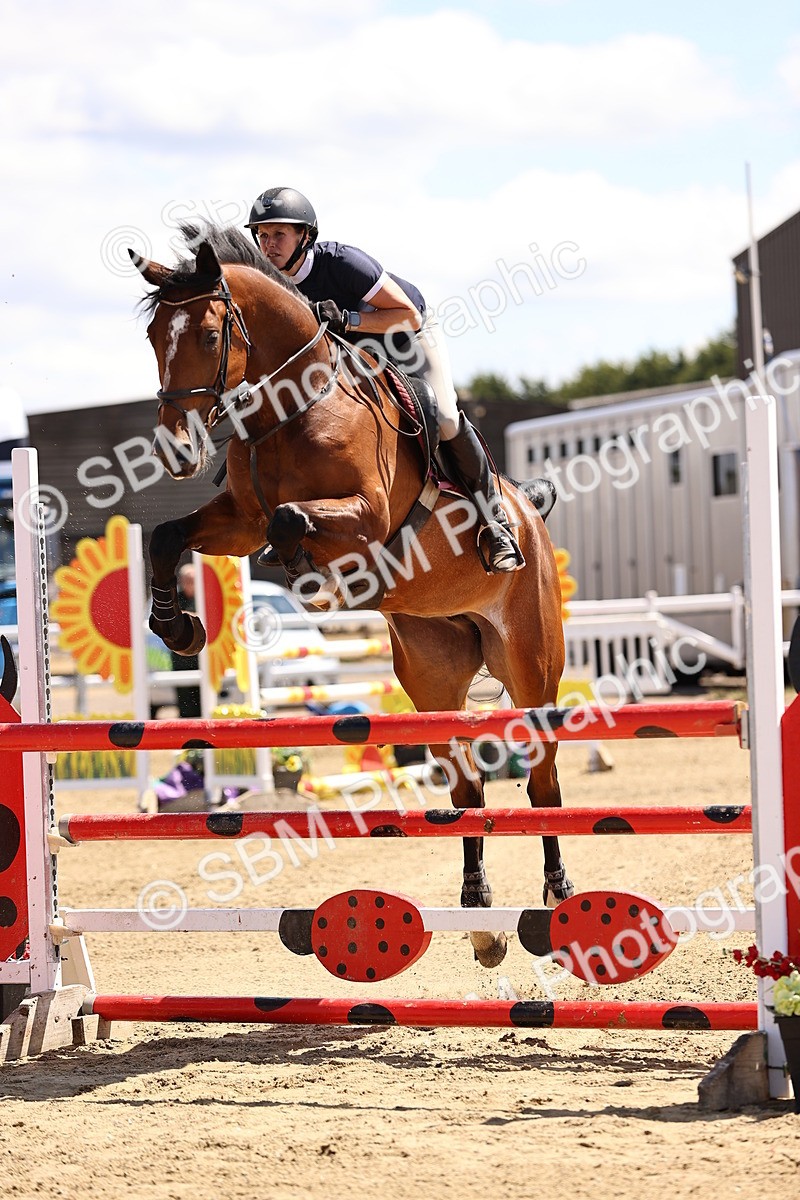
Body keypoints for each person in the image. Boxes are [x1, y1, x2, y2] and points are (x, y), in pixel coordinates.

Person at [245, 186, 524, 573]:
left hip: (408, 334)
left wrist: (347, 319)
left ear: (304, 236)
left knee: (444, 417)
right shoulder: (272, 285)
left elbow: (407, 315)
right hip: (355, 354)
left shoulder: (344, 263)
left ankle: (496, 523)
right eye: (261, 235)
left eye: (279, 234)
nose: (268, 245)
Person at [170, 563, 202, 718]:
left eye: (193, 580)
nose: (190, 584)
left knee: (201, 692)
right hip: (180, 653)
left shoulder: (203, 596)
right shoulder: (175, 596)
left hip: (201, 652)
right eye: (187, 580)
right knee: (183, 691)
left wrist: (186, 615)